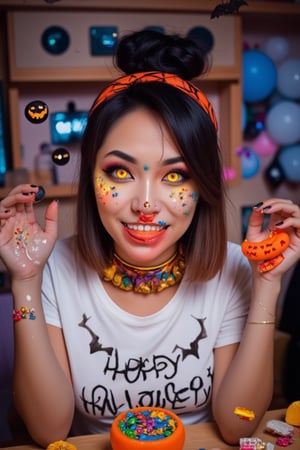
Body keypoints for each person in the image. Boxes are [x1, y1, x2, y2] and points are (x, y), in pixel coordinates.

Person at [0, 30, 299, 448]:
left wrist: (266, 286)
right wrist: (26, 282)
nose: (145, 204)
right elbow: (49, 431)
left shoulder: (233, 268)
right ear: (91, 177)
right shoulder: (55, 268)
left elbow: (237, 425)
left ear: (203, 185)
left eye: (174, 176)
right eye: (120, 172)